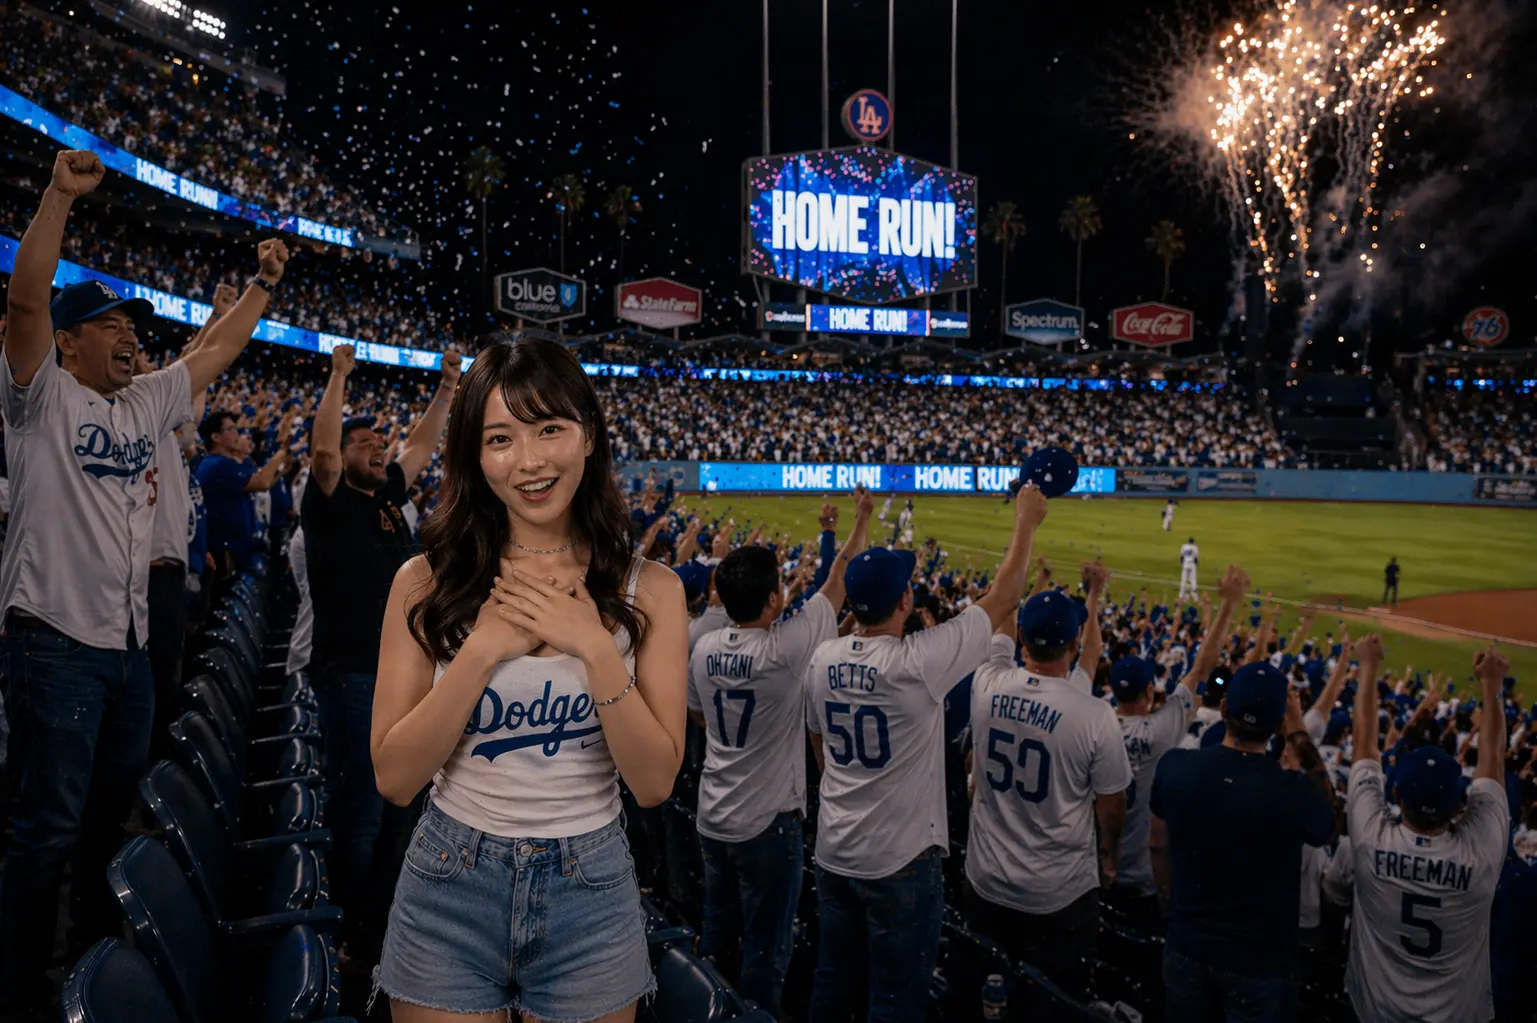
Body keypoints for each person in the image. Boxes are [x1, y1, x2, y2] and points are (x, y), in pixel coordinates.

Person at [0, 149, 288, 1019]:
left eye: (138, 325)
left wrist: (262, 287)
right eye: (116, 324)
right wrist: (56, 196)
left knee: (103, 818)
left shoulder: (143, 403)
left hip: (124, 647)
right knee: (43, 828)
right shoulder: (38, 397)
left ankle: (87, 954)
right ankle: (15, 985)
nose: (134, 335)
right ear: (72, 339)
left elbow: (222, 349)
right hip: (51, 637)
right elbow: (23, 300)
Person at [369, 338, 688, 1023]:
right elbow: (394, 778)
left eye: (550, 428)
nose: (531, 460)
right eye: (500, 437)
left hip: (592, 884)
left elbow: (655, 781)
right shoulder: (423, 582)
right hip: (449, 877)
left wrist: (596, 650)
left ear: (589, 433)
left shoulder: (652, 589)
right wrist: (482, 650)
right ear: (474, 455)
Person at [802, 484, 1047, 1023]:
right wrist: (1026, 523)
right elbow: (1003, 600)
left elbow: (817, 737)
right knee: (896, 998)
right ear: (906, 604)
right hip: (898, 861)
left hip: (834, 849)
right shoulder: (916, 662)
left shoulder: (822, 658)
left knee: (833, 981)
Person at [687, 487, 873, 1017]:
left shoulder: (703, 647)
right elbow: (837, 581)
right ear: (772, 601)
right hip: (766, 822)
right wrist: (856, 522)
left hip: (712, 811)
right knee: (766, 950)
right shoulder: (784, 652)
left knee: (716, 934)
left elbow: (700, 715)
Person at [300, 342, 458, 921]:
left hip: (402, 676)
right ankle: (351, 929)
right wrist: (338, 375)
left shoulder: (388, 496)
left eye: (376, 444)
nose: (377, 449)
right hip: (352, 676)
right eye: (362, 445)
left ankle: (390, 917)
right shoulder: (330, 503)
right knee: (362, 811)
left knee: (403, 805)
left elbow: (419, 445)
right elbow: (321, 451)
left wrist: (445, 388)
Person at [963, 582, 1133, 997]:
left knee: (985, 997)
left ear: (1023, 638)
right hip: (1057, 894)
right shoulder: (1093, 714)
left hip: (986, 879)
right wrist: (1109, 858)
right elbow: (1111, 808)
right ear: (1073, 644)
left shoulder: (986, 683)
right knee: (1052, 1003)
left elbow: (1000, 632)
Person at [1150, 660, 1335, 1022]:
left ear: (1223, 709)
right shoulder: (1293, 792)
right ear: (1279, 723)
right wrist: (1298, 730)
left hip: (1187, 942)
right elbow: (1329, 818)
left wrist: (1169, 906)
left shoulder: (1176, 766)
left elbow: (1157, 845)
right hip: (1259, 963)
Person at [1344, 637, 1510, 1023]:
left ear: (1396, 793)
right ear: (1458, 806)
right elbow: (1493, 765)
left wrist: (1366, 667)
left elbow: (1365, 744)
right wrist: (1492, 687)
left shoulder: (1369, 839)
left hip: (1374, 1011)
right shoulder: (1480, 854)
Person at [1110, 564, 1246, 928]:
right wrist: (1227, 608)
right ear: (1151, 691)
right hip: (1141, 880)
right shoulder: (1160, 731)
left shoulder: (1095, 725)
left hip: (1094, 870)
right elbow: (1202, 667)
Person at [196, 407, 289, 579]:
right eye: (230, 429)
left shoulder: (219, 463)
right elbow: (262, 482)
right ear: (216, 437)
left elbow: (260, 483)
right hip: (226, 553)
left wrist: (284, 469)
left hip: (232, 549)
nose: (236, 432)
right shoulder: (218, 465)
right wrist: (282, 453)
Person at [1178, 536, 1199, 602]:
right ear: (1193, 542)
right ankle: (1195, 596)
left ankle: (1181, 595)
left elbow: (1181, 557)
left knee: (1183, 580)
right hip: (1192, 564)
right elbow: (1196, 559)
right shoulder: (1195, 547)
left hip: (1185, 564)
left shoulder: (1184, 546)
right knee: (1193, 580)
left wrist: (1183, 564)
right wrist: (1195, 565)